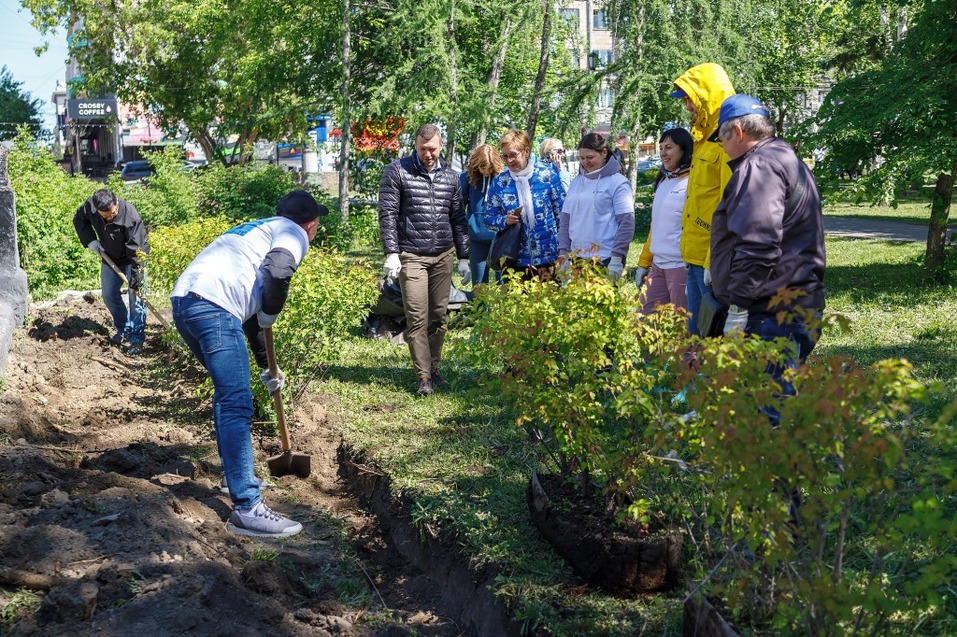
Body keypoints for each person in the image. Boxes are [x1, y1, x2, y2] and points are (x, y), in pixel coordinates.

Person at [170, 189, 328, 538]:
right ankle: (248, 508)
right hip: (214, 308)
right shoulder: (294, 233)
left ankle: (233, 477)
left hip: (185, 303)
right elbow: (277, 273)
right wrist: (272, 310)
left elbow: (250, 313)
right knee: (236, 402)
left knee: (228, 395)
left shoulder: (258, 229)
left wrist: (267, 366)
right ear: (312, 224)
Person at [711, 94, 826, 399]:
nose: (723, 149)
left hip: (772, 310)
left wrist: (738, 306)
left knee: (765, 407)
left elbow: (758, 244)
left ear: (737, 132)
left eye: (722, 139)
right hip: (794, 301)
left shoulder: (759, 166)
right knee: (774, 399)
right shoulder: (784, 157)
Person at [379, 124, 470, 396]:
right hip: (411, 255)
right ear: (415, 147)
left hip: (443, 255)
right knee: (417, 317)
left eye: (432, 149)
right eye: (422, 149)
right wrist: (391, 252)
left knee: (439, 316)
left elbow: (458, 218)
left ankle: (434, 368)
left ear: (441, 146)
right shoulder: (397, 171)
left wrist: (464, 256)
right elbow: (388, 213)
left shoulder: (451, 178)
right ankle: (423, 377)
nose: (428, 154)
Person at [669, 62, 735, 333]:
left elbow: (728, 202)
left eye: (689, 99)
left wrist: (712, 260)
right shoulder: (703, 137)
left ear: (706, 96)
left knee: (711, 335)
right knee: (696, 334)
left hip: (711, 258)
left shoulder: (725, 138)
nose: (687, 106)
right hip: (694, 255)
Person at [73, 188, 149, 355]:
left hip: (133, 260)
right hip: (110, 258)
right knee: (109, 295)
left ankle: (136, 339)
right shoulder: (90, 207)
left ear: (116, 203)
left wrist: (136, 278)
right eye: (105, 216)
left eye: (112, 214)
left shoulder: (130, 216)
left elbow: (138, 251)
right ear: (97, 209)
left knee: (136, 299)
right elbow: (79, 220)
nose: (109, 218)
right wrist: (90, 240)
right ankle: (124, 329)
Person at [484, 129, 565, 279]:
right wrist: (504, 220)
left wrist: (564, 249)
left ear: (526, 151)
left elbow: (562, 213)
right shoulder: (500, 182)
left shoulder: (547, 174)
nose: (509, 160)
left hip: (549, 256)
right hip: (515, 260)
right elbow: (488, 218)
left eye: (513, 155)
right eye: (505, 156)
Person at [557, 132, 635, 280]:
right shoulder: (576, 182)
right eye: (582, 158)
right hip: (577, 258)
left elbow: (626, 223)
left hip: (605, 258)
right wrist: (563, 253)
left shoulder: (618, 182)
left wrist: (617, 258)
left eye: (590, 157)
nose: (585, 162)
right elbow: (566, 220)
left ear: (604, 153)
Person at [634, 128, 694, 313]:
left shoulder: (692, 181)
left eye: (668, 147)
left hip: (680, 266)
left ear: (684, 149)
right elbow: (656, 227)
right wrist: (644, 262)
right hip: (657, 265)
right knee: (644, 321)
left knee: (682, 325)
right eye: (661, 148)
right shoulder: (664, 180)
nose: (663, 153)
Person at [460, 144, 505, 286]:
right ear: (476, 165)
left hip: (500, 239)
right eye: (482, 168)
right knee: (479, 286)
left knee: (504, 283)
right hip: (476, 238)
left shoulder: (504, 178)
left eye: (490, 168)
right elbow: (459, 208)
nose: (486, 172)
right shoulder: (467, 178)